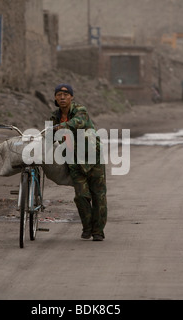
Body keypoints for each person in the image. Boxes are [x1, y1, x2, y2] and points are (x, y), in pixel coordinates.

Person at [50, 84, 107, 241]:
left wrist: (62, 126)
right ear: (55, 97)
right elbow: (49, 138)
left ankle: (98, 231)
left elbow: (79, 122)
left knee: (98, 196)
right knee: (81, 196)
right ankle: (87, 227)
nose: (62, 97)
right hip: (74, 162)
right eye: (59, 94)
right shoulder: (54, 117)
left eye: (66, 95)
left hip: (93, 158)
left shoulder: (80, 110)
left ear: (71, 97)